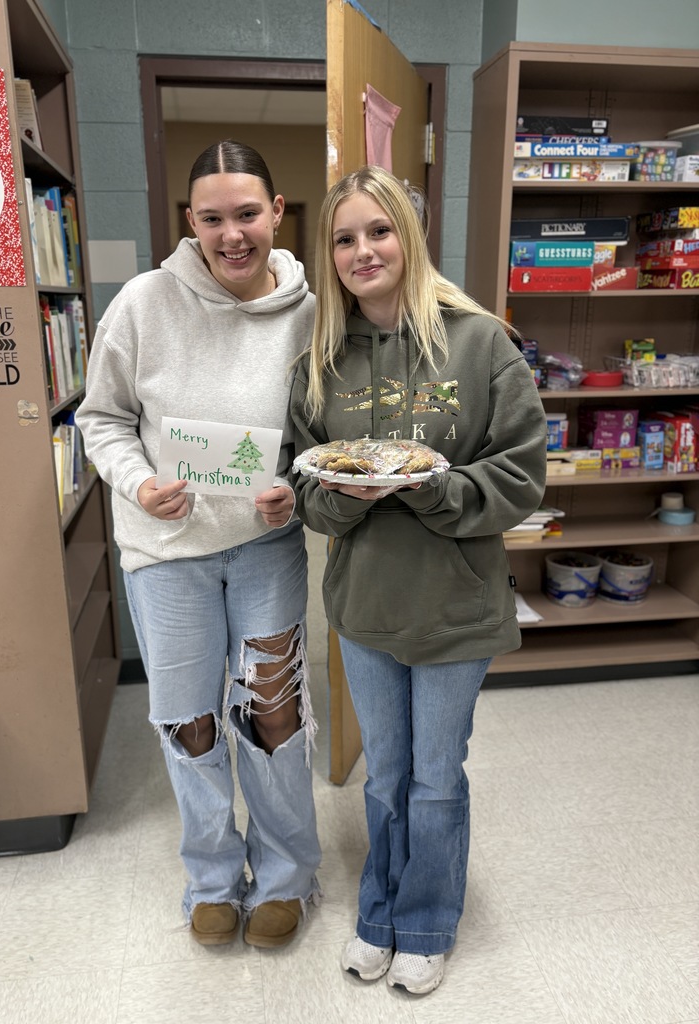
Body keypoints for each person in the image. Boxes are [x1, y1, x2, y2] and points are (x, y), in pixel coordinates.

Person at [290, 166, 546, 994]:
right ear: (329, 256)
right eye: (344, 238)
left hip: (455, 606)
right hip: (365, 606)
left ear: (409, 234)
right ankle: (379, 912)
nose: (363, 250)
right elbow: (304, 489)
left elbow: (522, 476)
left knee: (436, 778)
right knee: (387, 774)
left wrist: (437, 489)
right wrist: (341, 496)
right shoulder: (321, 359)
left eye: (379, 230)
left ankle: (428, 920)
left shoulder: (479, 342)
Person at [76, 140, 321, 950]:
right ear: (191, 223)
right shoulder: (144, 304)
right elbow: (101, 418)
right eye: (213, 219)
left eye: (248, 214)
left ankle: (286, 876)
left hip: (264, 548)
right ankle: (212, 880)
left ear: (277, 213)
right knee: (189, 723)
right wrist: (139, 481)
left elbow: (324, 433)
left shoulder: (313, 312)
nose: (233, 235)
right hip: (166, 551)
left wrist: (298, 481)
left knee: (273, 716)